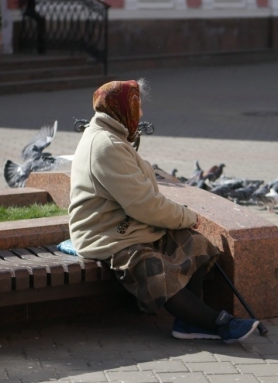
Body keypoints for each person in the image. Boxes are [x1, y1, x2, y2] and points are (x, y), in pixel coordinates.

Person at [68, 79, 259, 343]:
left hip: (127, 225)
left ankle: (189, 323)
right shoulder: (106, 145)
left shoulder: (111, 135)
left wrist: (183, 220)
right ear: (123, 108)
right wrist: (186, 216)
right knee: (155, 269)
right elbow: (144, 205)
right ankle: (218, 324)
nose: (141, 113)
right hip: (108, 234)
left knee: (196, 243)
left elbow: (141, 200)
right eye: (137, 106)